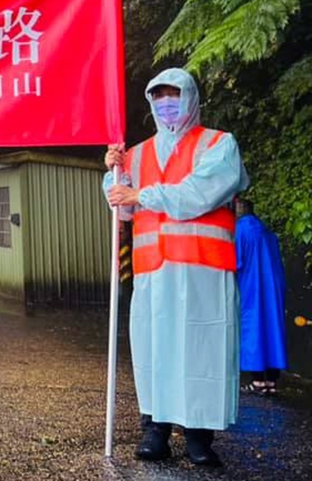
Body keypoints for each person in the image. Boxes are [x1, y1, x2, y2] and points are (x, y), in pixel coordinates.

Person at [104, 68, 248, 467]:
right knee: (155, 349)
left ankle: (200, 436)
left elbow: (198, 193)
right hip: (155, 270)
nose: (167, 102)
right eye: (160, 95)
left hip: (203, 269)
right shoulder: (137, 152)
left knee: (203, 351)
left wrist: (140, 192)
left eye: (175, 94)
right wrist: (112, 170)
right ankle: (156, 428)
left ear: (191, 98)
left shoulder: (219, 145)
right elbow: (124, 208)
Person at [234, 198, 288, 396]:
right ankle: (272, 380)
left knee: (252, 328)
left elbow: (235, 261)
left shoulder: (241, 230)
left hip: (251, 286)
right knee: (273, 328)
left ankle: (257, 380)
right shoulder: (267, 232)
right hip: (273, 285)